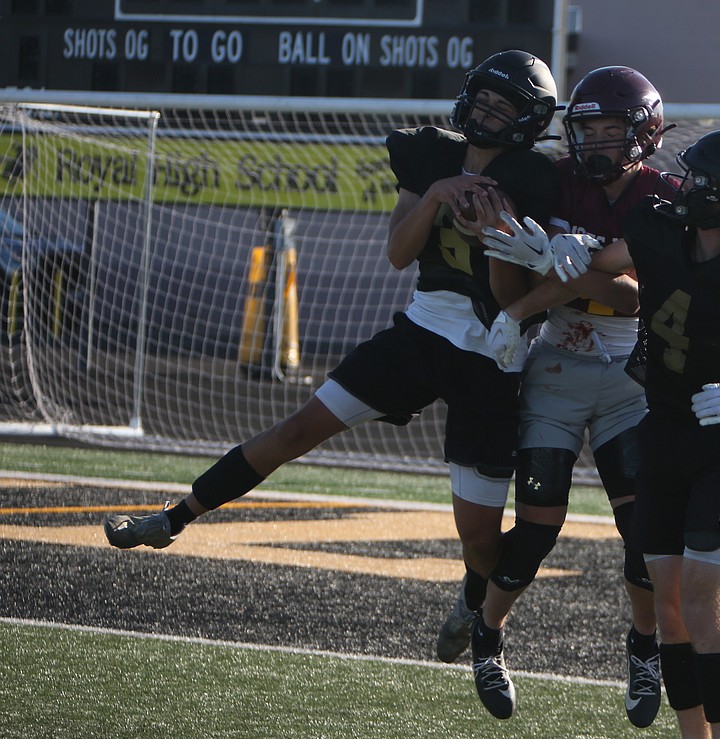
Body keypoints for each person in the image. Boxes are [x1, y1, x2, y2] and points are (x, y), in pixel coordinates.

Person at [102, 50, 561, 668]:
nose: (486, 113)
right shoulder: (430, 154)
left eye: (503, 108)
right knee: (297, 428)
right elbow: (399, 254)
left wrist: (497, 238)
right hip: (421, 332)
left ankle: (476, 598)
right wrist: (436, 196)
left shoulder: (537, 179)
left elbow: (513, 301)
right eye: (482, 99)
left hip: (492, 354)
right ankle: (178, 515)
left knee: (479, 539)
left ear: (528, 123)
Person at [486, 128, 720, 739]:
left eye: (701, 183)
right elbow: (606, 262)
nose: (685, 188)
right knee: (669, 608)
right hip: (662, 435)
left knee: (703, 608)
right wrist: (552, 253)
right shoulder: (659, 228)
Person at [465, 66, 676, 725]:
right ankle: (488, 635)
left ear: (642, 133)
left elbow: (632, 295)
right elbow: (535, 263)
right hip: (555, 367)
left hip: (628, 379)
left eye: (610, 130)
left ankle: (643, 647)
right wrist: (527, 279)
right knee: (536, 529)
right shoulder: (554, 180)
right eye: (586, 129)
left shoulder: (661, 198)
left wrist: (570, 263)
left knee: (641, 535)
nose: (594, 143)